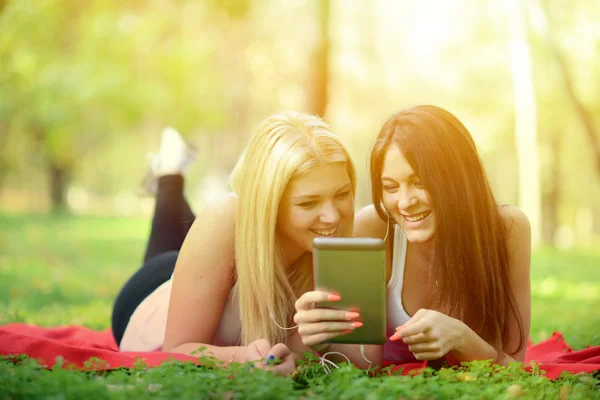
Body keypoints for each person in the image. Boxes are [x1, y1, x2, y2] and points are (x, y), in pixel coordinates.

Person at [111, 112, 360, 375]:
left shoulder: (341, 239)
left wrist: (298, 357)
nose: (332, 216)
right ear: (268, 202)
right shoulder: (225, 217)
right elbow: (177, 350)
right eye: (308, 203)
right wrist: (243, 358)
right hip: (149, 292)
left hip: (214, 271)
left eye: (342, 194)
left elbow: (344, 358)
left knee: (187, 236)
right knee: (174, 227)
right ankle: (170, 171)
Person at [294, 105, 531, 367]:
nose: (405, 202)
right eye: (391, 187)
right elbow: (361, 363)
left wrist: (462, 338)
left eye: (419, 182)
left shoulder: (507, 228)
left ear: (457, 177)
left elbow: (514, 365)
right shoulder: (375, 228)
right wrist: (323, 339)